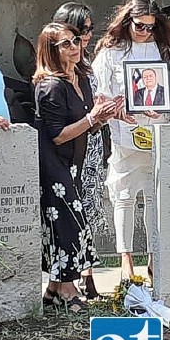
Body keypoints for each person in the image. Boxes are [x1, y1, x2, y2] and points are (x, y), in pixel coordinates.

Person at [93, 0, 170, 279]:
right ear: (127, 22)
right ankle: (125, 261)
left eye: (150, 27)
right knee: (124, 196)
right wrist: (115, 108)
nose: (144, 32)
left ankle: (153, 257)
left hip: (156, 134)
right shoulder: (111, 53)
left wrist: (165, 109)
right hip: (125, 135)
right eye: (139, 26)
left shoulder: (164, 54)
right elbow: (98, 92)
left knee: (153, 197)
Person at [33, 23, 119, 311]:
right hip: (53, 164)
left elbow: (88, 123)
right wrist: (93, 119)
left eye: (76, 42)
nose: (74, 48)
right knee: (69, 223)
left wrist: (106, 116)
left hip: (75, 162)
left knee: (70, 224)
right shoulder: (49, 86)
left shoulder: (80, 78)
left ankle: (53, 291)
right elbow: (57, 134)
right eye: (66, 44)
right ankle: (68, 290)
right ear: (51, 51)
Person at [51, 2, 106, 300]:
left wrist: (108, 112)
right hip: (70, 149)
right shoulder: (56, 72)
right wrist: (92, 117)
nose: (86, 36)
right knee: (72, 213)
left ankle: (87, 274)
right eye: (81, 30)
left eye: (89, 30)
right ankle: (70, 279)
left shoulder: (86, 65)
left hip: (92, 144)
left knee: (88, 210)